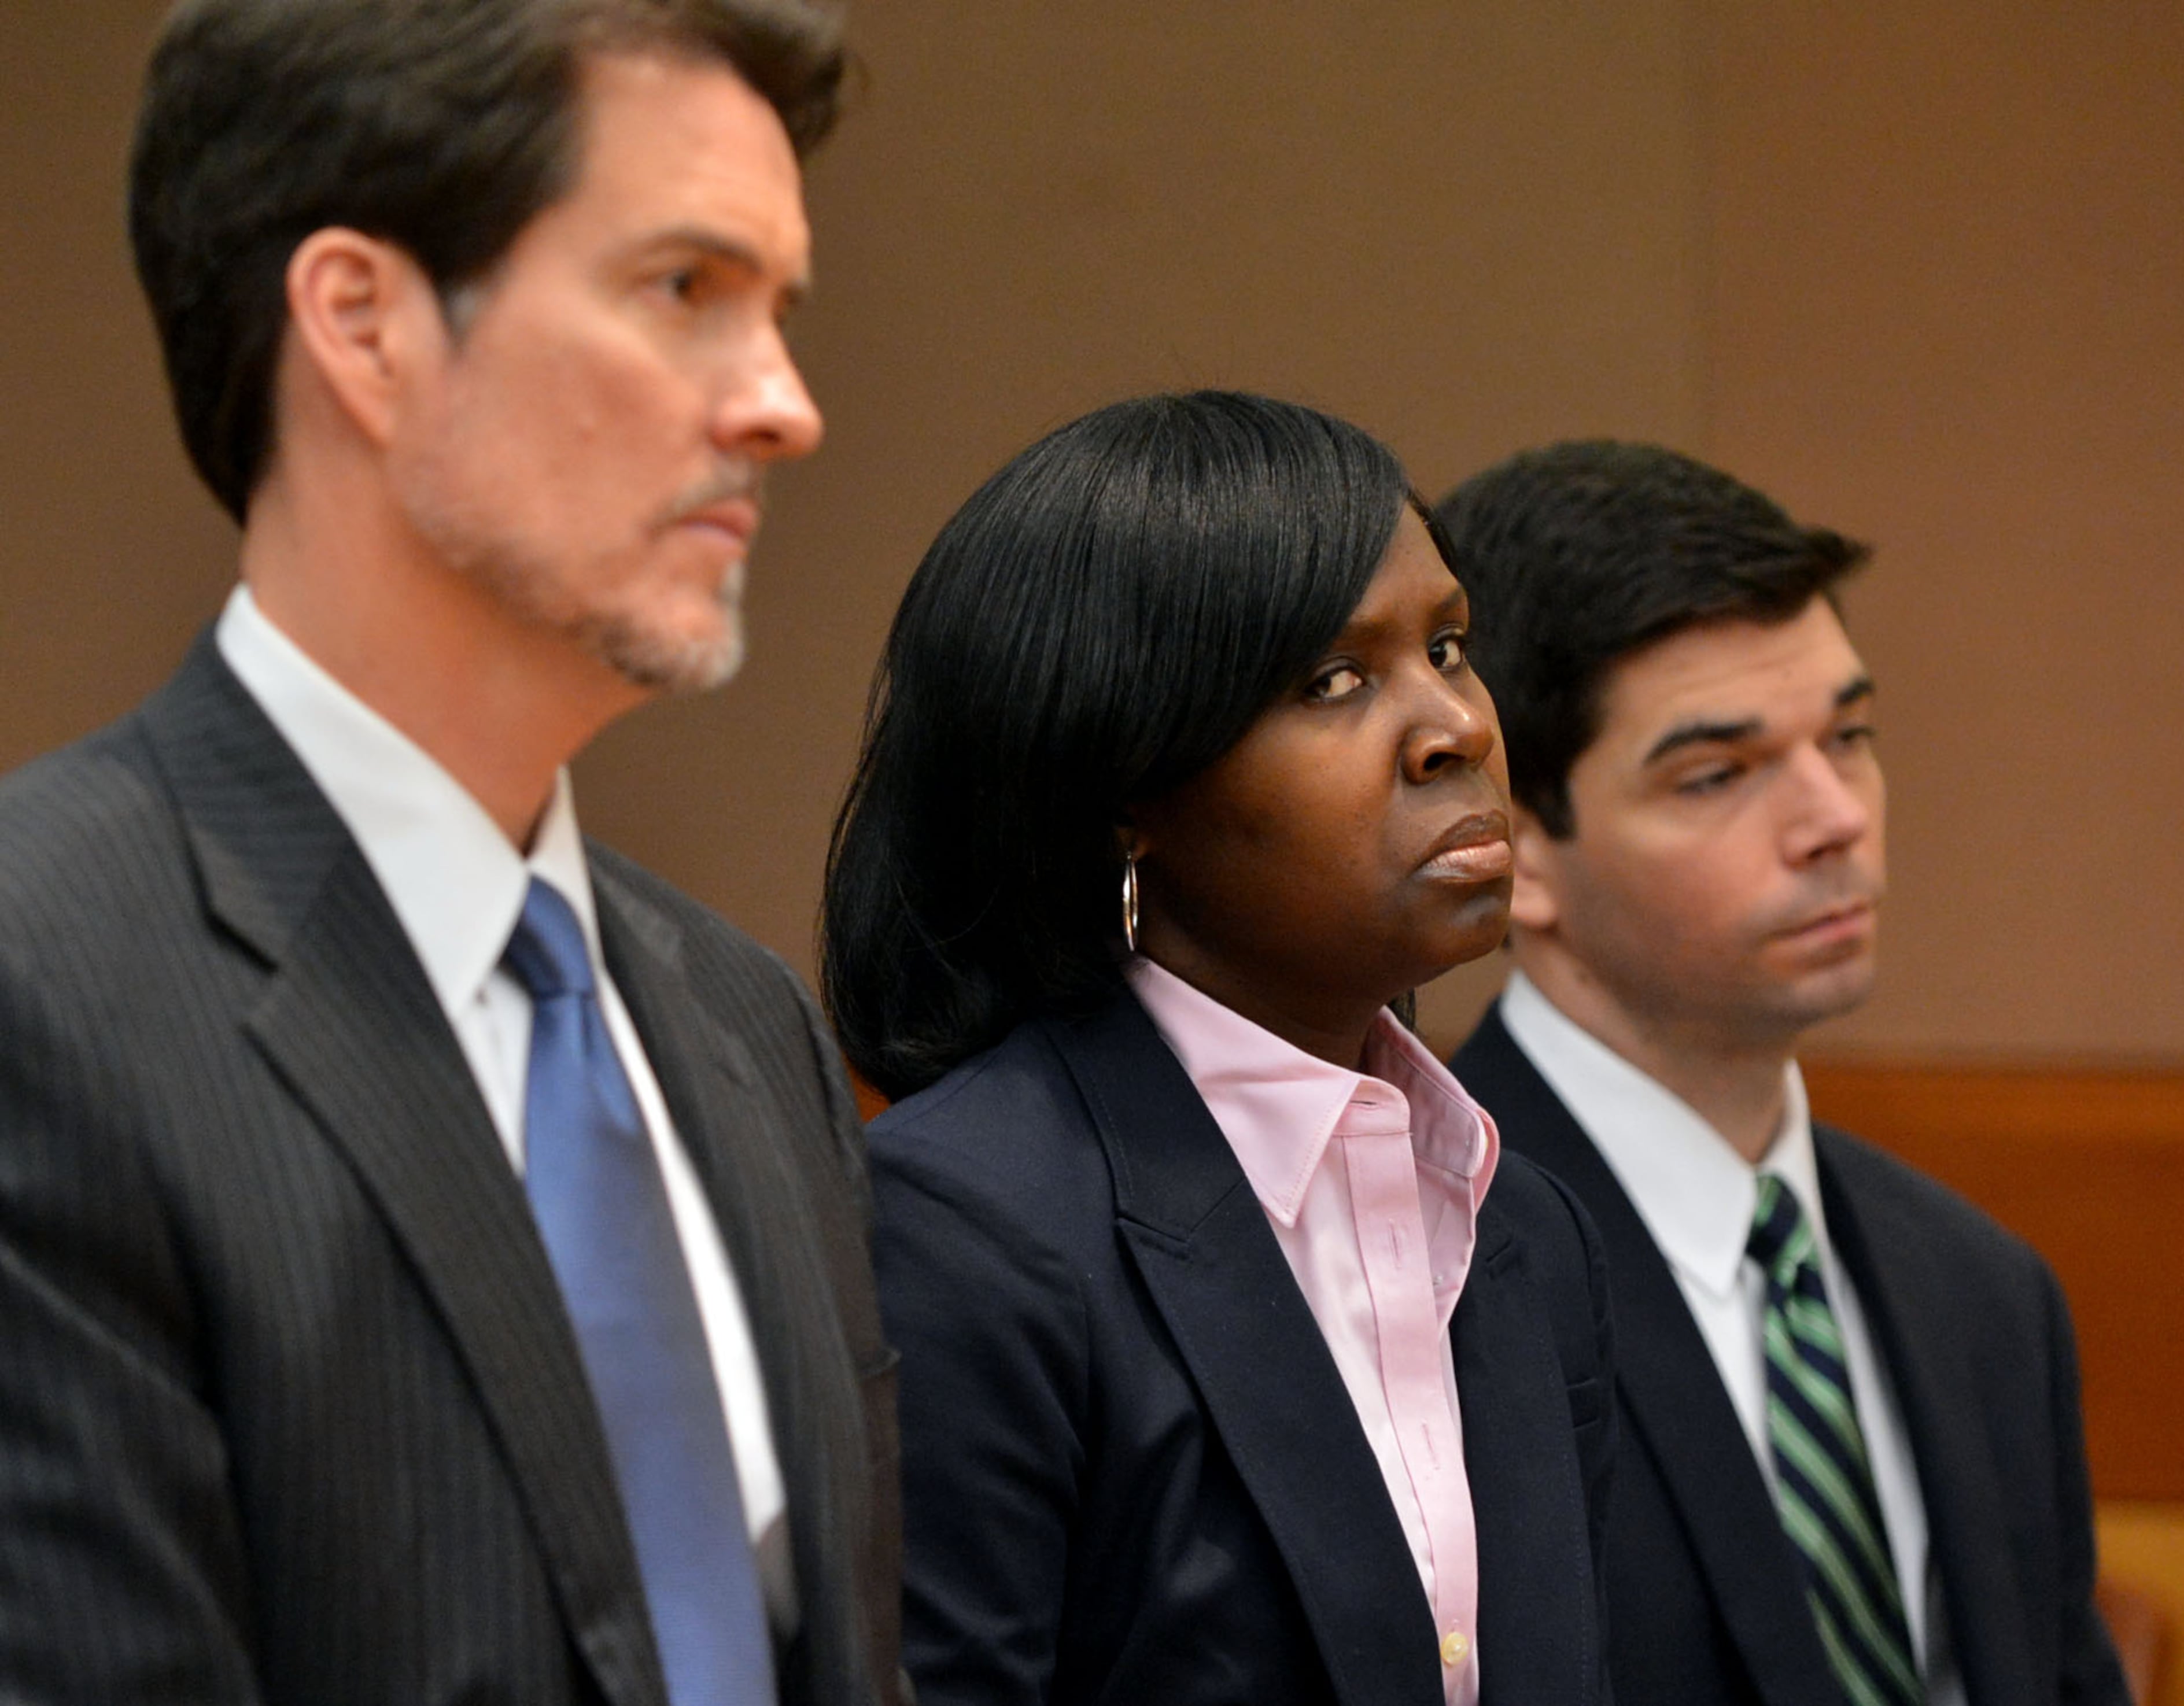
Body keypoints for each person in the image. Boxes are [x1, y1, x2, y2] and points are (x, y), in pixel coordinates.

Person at [0, 3, 901, 1703]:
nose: (786, 404)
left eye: (779, 309)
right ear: (365, 323)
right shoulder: (45, 987)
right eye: (684, 290)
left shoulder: (745, 1021)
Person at [824, 391, 1614, 1706]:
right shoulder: (965, 1225)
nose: (1456, 726)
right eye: (1334, 681)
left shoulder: (1524, 1226)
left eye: (1451, 647)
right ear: (1126, 793)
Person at [1436, 440, 2129, 1706]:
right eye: (1718, 773)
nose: (1835, 816)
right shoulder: (1418, 1276)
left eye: (1849, 734)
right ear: (1514, 850)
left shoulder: (1985, 1292)